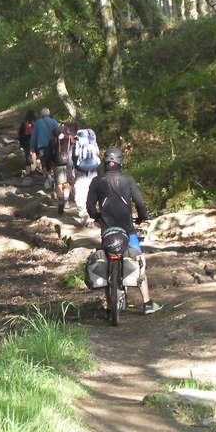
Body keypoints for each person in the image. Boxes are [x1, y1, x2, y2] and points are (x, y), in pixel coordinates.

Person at [86, 147, 162, 315]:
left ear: (106, 163)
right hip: (128, 230)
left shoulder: (97, 182)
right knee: (139, 260)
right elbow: (140, 203)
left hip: (108, 231)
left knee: (106, 263)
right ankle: (147, 303)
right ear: (121, 162)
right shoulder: (128, 180)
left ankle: (109, 305)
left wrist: (97, 216)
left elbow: (89, 207)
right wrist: (142, 217)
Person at [72, 129, 100, 225]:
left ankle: (84, 214)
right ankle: (92, 214)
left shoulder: (76, 146)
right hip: (93, 172)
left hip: (81, 173)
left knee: (80, 195)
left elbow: (72, 160)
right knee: (92, 193)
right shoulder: (94, 145)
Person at [48, 120, 78, 214]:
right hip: (69, 164)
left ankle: (60, 199)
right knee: (67, 184)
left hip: (58, 164)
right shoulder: (70, 139)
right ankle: (66, 201)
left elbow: (49, 154)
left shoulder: (54, 140)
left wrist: (48, 165)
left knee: (59, 184)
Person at [30, 107, 58, 183]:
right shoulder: (54, 122)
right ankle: (54, 178)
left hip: (42, 146)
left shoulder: (38, 123)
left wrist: (32, 147)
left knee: (44, 163)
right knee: (53, 161)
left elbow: (34, 136)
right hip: (53, 146)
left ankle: (47, 179)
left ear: (41, 114)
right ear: (49, 114)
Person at [17, 109, 36, 174]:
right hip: (34, 141)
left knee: (27, 155)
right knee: (35, 154)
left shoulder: (24, 123)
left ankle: (28, 171)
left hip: (26, 142)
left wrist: (21, 144)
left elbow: (20, 134)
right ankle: (36, 169)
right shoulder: (35, 122)